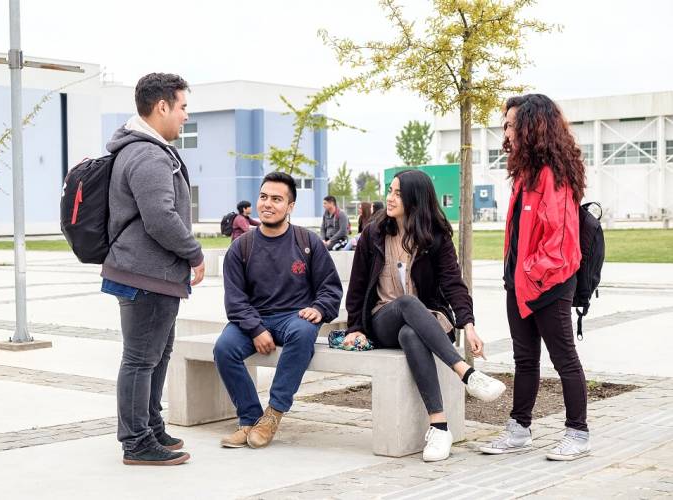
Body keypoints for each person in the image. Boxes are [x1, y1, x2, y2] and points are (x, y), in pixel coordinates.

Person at [345, 170, 506, 462]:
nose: (389, 198)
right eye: (389, 191)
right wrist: (354, 327)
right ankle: (467, 374)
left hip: (426, 321)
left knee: (411, 333)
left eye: (397, 193)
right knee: (406, 304)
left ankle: (440, 426)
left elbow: (453, 283)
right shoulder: (374, 232)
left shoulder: (436, 237)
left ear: (415, 200)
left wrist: (468, 325)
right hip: (384, 320)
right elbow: (357, 285)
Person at [102, 73, 204, 466]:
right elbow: (160, 217)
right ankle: (136, 441)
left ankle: (151, 424)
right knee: (141, 358)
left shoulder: (147, 149)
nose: (184, 117)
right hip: (146, 274)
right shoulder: (147, 154)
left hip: (153, 273)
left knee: (157, 354)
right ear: (161, 106)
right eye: (182, 108)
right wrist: (195, 253)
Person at [480, 94, 589, 461]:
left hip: (550, 283)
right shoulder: (523, 173)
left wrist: (529, 272)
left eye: (510, 124)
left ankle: (577, 433)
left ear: (531, 127)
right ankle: (519, 429)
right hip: (521, 283)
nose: (506, 131)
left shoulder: (551, 175)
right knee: (524, 359)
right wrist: (516, 274)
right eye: (505, 124)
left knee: (564, 360)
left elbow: (558, 242)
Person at [214, 172, 343, 449]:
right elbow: (235, 300)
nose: (267, 204)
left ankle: (273, 414)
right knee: (224, 348)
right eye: (263, 197)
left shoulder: (307, 243)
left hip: (293, 318)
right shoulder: (241, 247)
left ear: (291, 206)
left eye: (276, 199)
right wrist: (256, 329)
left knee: (303, 332)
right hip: (254, 317)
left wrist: (320, 308)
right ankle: (249, 418)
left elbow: (330, 288)